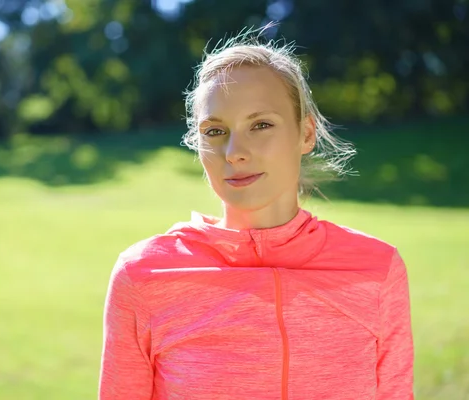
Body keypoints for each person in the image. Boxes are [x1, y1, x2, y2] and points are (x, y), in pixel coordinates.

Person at [98, 28, 414, 400]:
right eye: (215, 131)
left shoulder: (377, 270)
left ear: (306, 134)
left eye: (260, 124)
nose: (234, 152)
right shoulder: (143, 275)